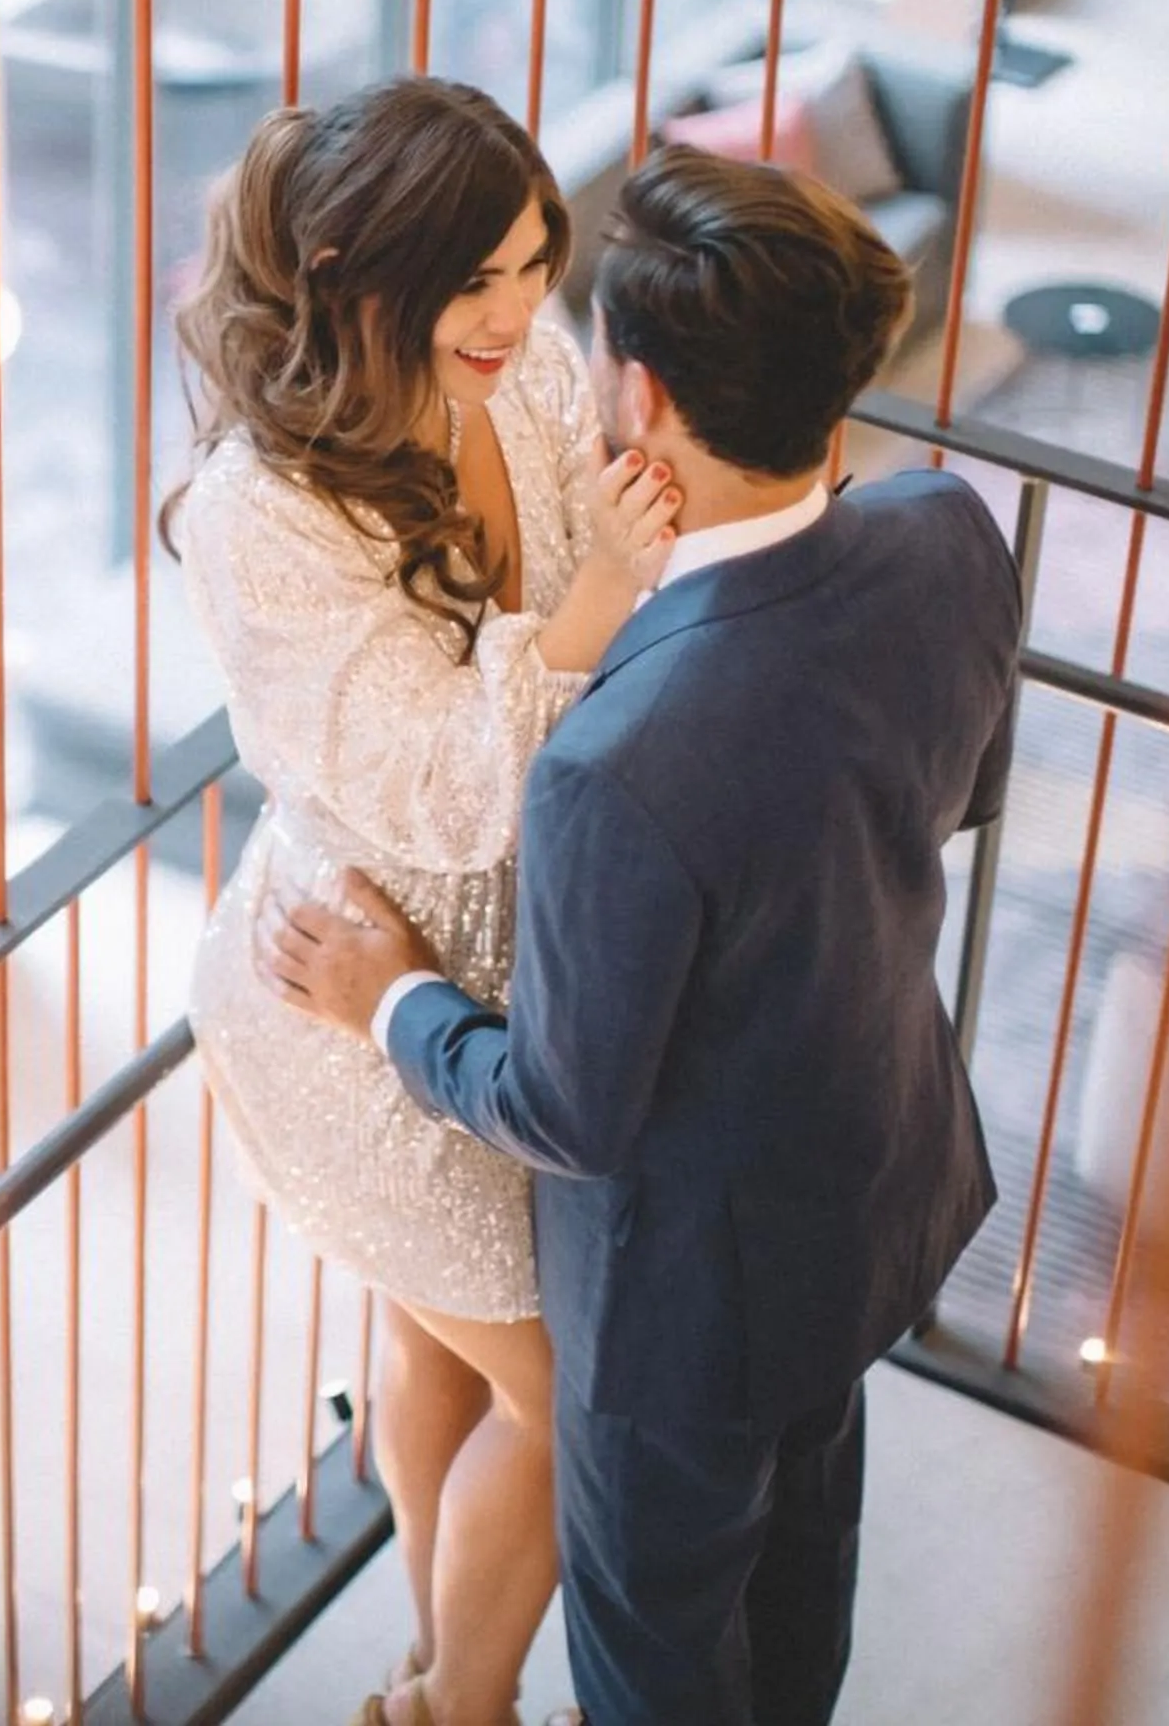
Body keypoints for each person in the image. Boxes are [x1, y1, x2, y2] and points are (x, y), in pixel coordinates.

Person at [263, 144, 1020, 1726]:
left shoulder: (616, 764)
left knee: (659, 1662)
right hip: (878, 1183)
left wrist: (389, 992)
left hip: (689, 1315)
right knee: (808, 1565)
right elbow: (956, 791)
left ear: (644, 397)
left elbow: (562, 1110)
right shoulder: (951, 533)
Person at [167, 78, 680, 1726]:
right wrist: (605, 584)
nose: (523, 311)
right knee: (569, 1402)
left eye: (536, 261)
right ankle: (466, 1703)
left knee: (443, 1357)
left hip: (507, 962)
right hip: (353, 994)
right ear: (349, 274)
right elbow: (454, 793)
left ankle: (432, 1660)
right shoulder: (260, 515)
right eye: (476, 279)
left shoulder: (516, 362)